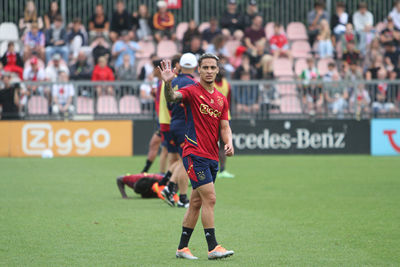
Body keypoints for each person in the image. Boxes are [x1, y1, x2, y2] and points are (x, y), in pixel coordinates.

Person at [161, 53, 234, 260]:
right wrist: (168, 84)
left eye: (213, 68)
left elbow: (225, 126)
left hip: (212, 157)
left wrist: (229, 142)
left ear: (217, 70)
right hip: (194, 153)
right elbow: (172, 98)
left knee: (196, 202)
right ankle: (213, 247)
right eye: (205, 68)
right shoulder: (192, 91)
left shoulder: (221, 99)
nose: (209, 71)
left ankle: (182, 248)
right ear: (198, 70)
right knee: (210, 198)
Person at [214, 69, 235, 179]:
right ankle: (222, 169)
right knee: (223, 145)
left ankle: (215, 169)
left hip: (214, 117)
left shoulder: (210, 84)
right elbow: (229, 101)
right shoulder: (227, 84)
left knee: (212, 145)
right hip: (226, 117)